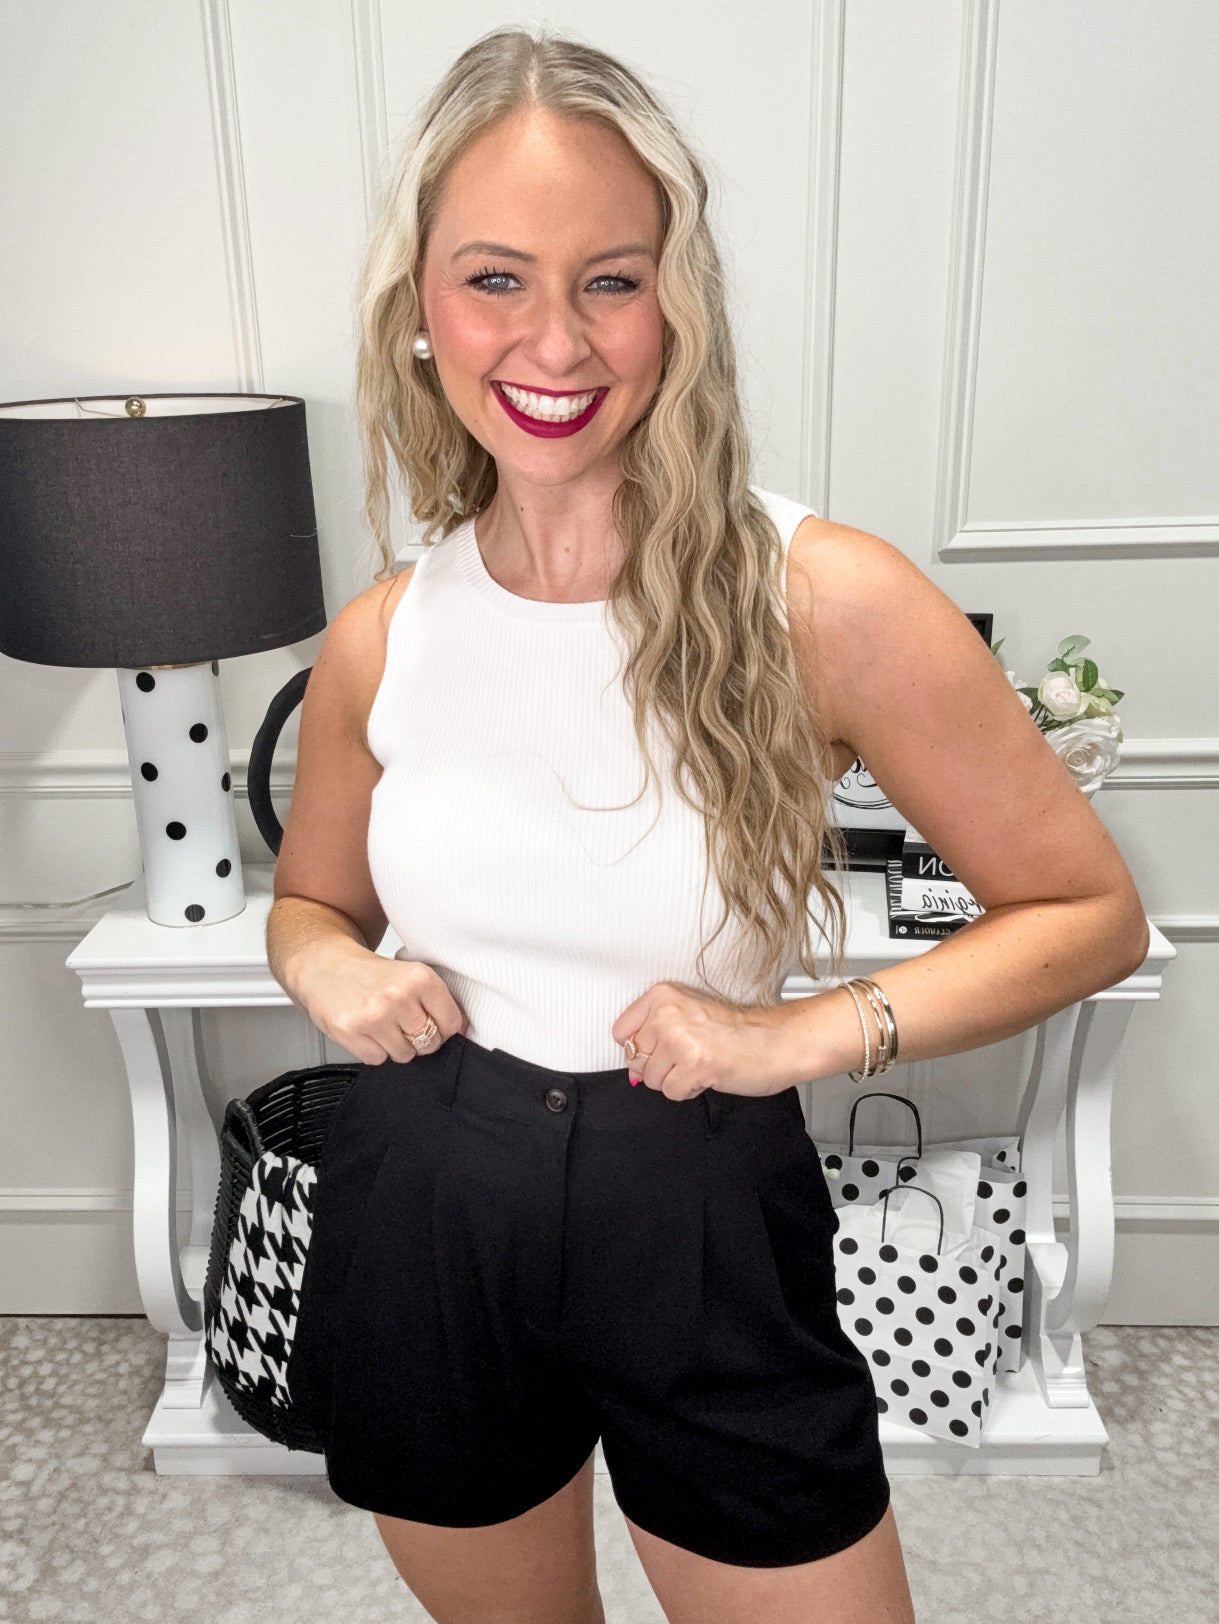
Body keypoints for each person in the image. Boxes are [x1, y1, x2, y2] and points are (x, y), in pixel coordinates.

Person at [266, 25, 1148, 1624]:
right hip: (427, 1192)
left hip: (697, 1200)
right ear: (419, 312)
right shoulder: (383, 634)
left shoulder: (827, 596)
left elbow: (1090, 914)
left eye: (611, 279)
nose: (555, 339)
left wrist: (803, 1033)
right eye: (494, 278)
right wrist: (326, 968)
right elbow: (310, 906)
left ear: (677, 304)